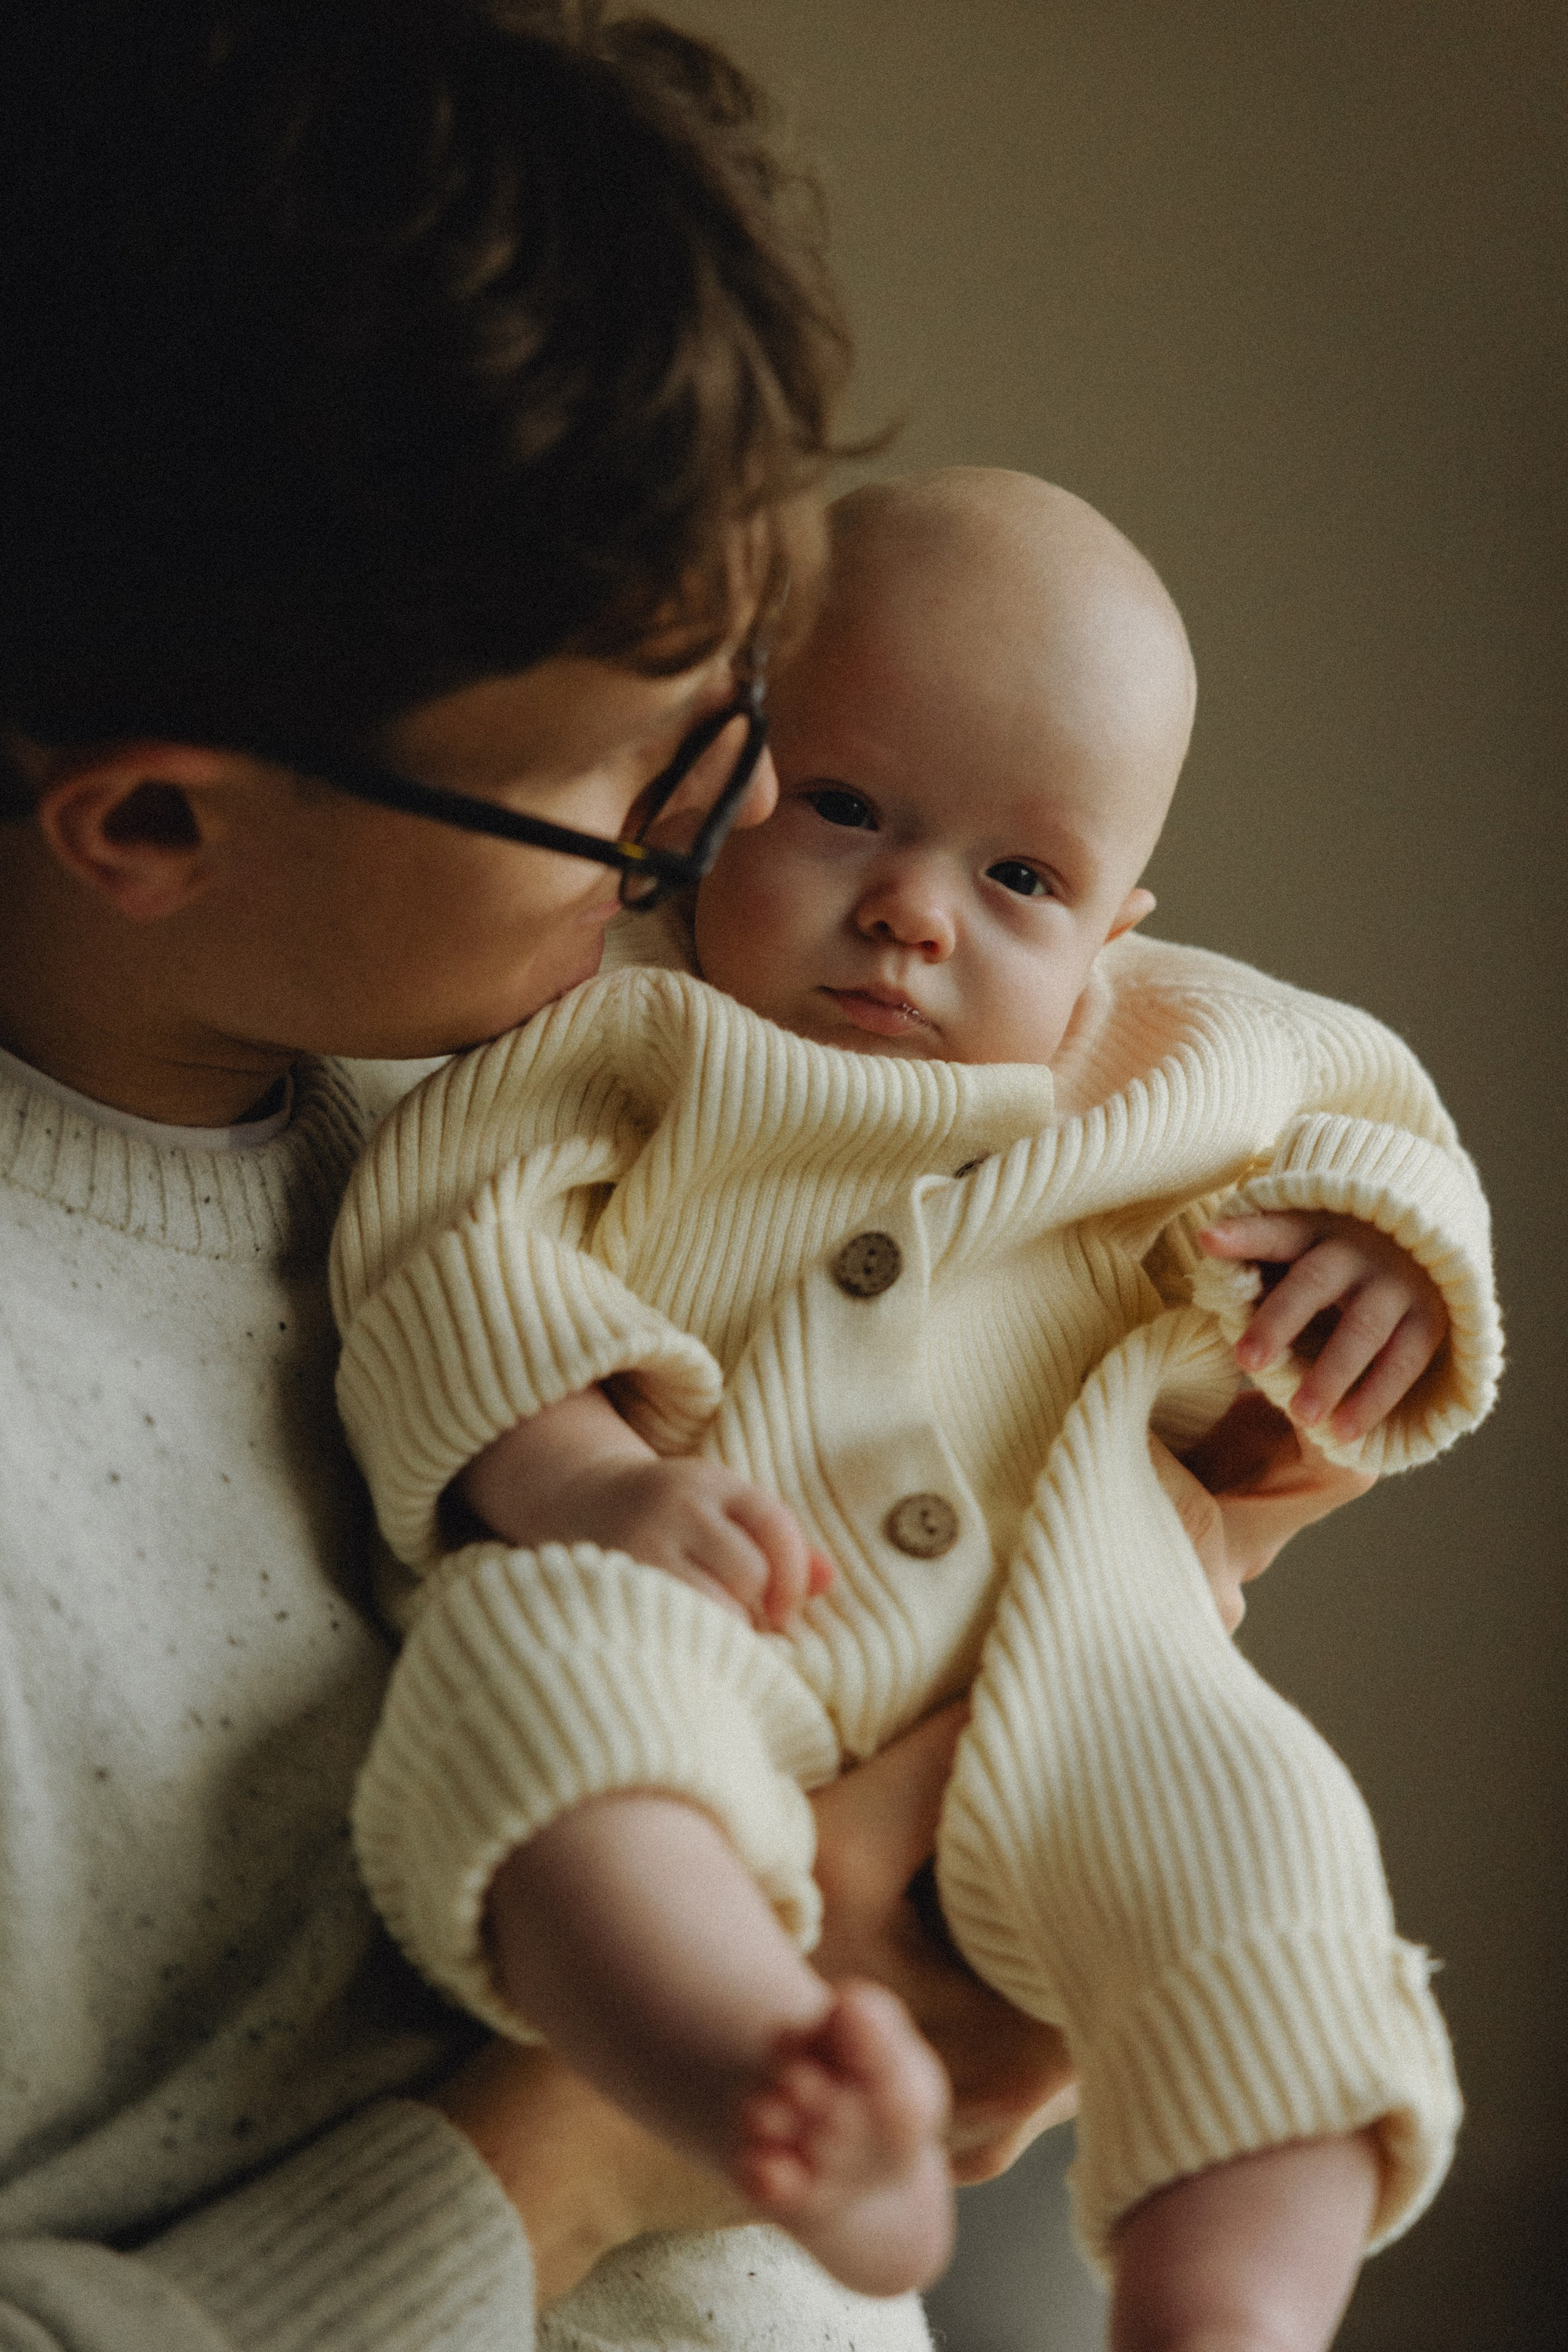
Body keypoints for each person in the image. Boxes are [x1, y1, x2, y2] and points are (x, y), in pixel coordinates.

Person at [0, 11, 1115, 2350]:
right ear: (157, 825)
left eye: (750, 727)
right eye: (637, 786)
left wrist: (1216, 1494)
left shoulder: (485, 1075)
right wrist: (605, 2145)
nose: (724, 842)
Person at [331, 470, 1502, 2345]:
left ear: (1122, 919)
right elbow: (447, 1254)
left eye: (1019, 878)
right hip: (710, 1602)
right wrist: (586, 1486)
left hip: (1097, 1655)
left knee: (1271, 1856)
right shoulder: (622, 1027)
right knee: (532, 1679)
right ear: (707, 791)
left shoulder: (1180, 1045)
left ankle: (1232, 2300)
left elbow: (1386, 1121)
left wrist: (1390, 1250)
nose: (909, 914)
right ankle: (751, 2068)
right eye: (846, 807)